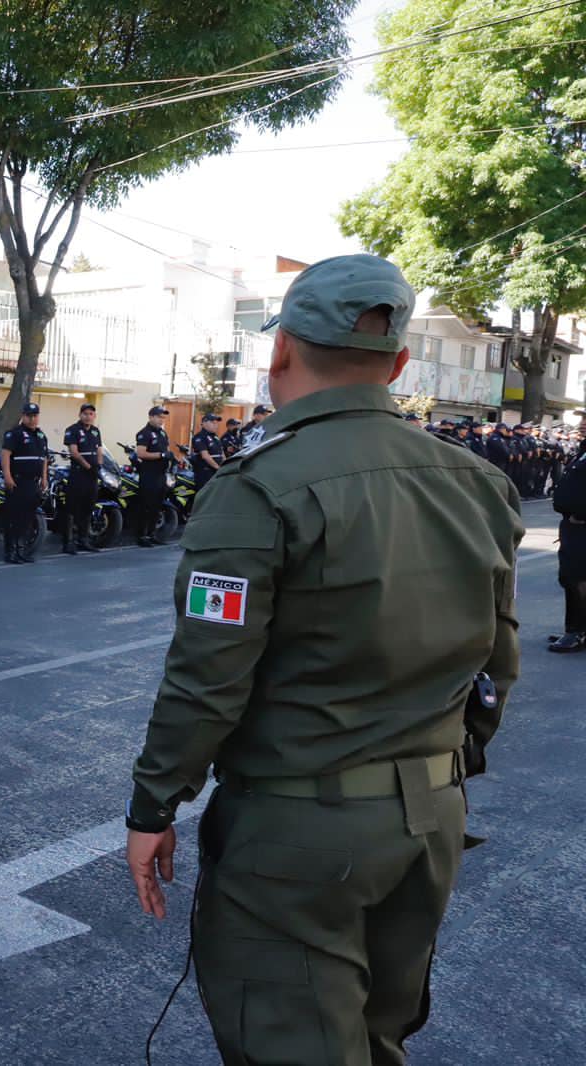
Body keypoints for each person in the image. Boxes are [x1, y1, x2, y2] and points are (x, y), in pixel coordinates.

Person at [123, 254, 523, 1065]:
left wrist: (154, 806)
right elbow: (498, 662)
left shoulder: (259, 486)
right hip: (430, 821)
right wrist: (441, 770)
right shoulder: (477, 482)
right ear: (399, 364)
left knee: (295, 1042)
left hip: (301, 832)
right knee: (376, 1038)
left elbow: (209, 677)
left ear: (279, 354)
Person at [0, 402, 49, 564]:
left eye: (35, 415)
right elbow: (6, 455)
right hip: (18, 481)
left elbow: (44, 459)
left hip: (33, 483)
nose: (32, 419)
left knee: (27, 519)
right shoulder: (14, 434)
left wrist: (44, 478)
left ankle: (22, 550)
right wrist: (7, 476)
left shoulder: (41, 436)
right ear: (23, 416)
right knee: (14, 518)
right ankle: (10, 552)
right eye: (29, 415)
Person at [549, 441, 586, 652]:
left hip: (582, 524)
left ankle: (576, 631)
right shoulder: (583, 451)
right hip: (573, 525)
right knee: (571, 577)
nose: (582, 424)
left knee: (577, 577)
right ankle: (578, 628)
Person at [62, 402, 106, 554]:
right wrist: (89, 467)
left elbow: (99, 450)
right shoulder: (72, 430)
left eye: (91, 414)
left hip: (92, 476)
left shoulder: (95, 431)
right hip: (79, 474)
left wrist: (99, 466)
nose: (88, 417)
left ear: (94, 416)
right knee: (72, 509)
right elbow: (74, 452)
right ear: (80, 415)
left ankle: (83, 539)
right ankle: (68, 542)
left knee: (88, 508)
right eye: (85, 414)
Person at [133, 405, 172, 548]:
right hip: (149, 474)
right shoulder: (144, 433)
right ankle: (142, 536)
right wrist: (161, 455)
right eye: (159, 417)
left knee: (157, 506)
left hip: (161, 474)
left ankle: (151, 534)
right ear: (151, 417)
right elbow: (141, 453)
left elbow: (166, 450)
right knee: (146, 506)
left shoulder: (162, 433)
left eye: (163, 417)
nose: (161, 420)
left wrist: (169, 456)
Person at [190, 412, 225, 493]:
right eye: (213, 422)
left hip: (216, 473)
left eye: (216, 423)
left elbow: (222, 454)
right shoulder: (199, 437)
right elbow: (205, 456)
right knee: (205, 496)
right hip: (205, 473)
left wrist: (224, 466)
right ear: (204, 423)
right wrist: (218, 468)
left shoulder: (215, 437)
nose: (216, 425)